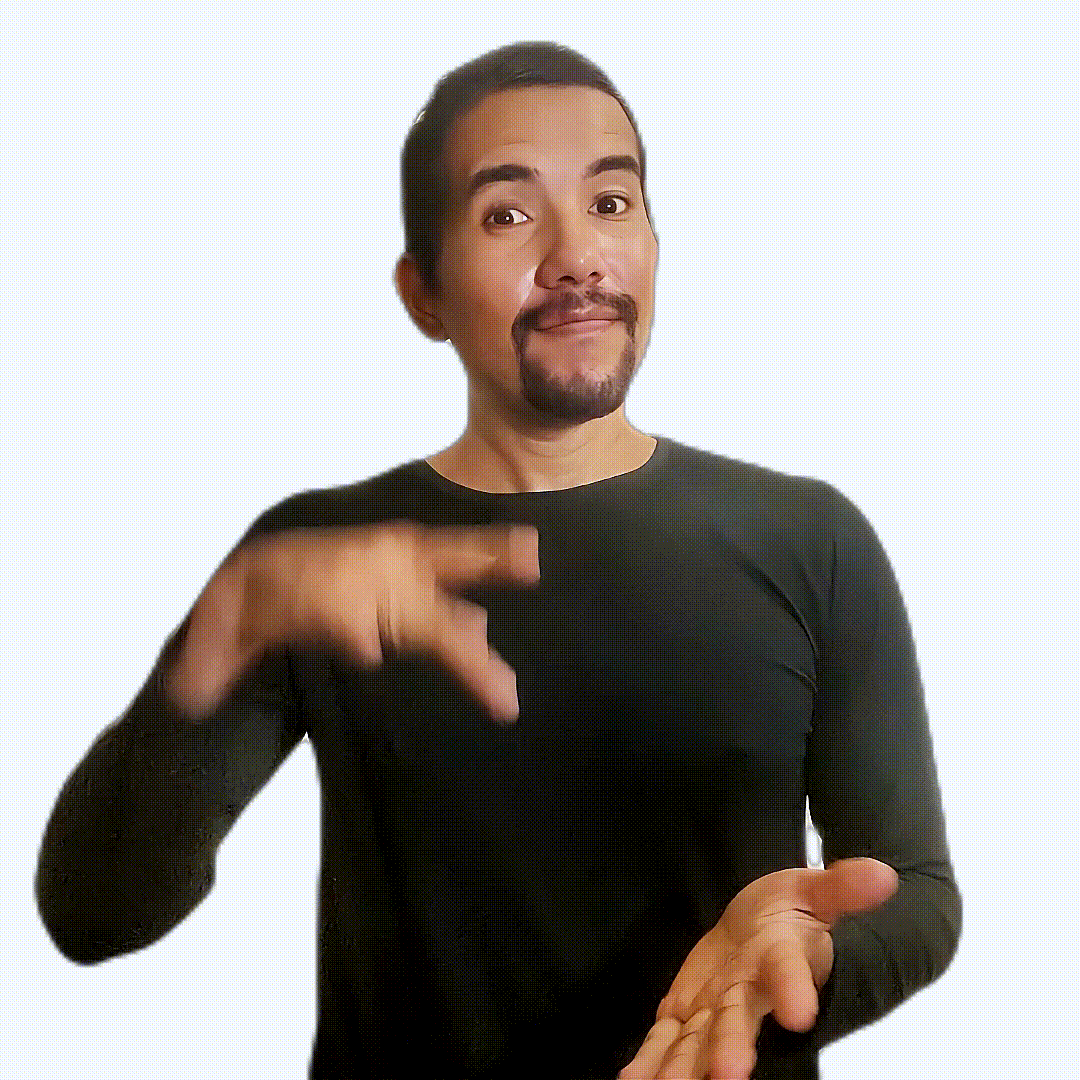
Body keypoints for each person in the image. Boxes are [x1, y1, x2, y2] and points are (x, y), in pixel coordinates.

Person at [35, 41, 961, 1080]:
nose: (577, 255)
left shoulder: (809, 538)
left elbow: (918, 894)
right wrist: (225, 634)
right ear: (422, 294)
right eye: (508, 214)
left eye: (611, 202)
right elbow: (93, 914)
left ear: (653, 242)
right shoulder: (320, 570)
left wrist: (814, 958)